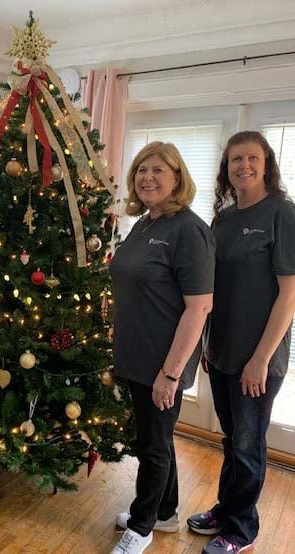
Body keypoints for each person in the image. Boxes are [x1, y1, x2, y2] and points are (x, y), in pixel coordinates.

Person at [186, 131, 295, 553]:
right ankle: (226, 507)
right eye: (235, 160)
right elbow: (214, 290)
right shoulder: (224, 219)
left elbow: (289, 295)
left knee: (248, 444)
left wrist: (261, 359)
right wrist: (208, 347)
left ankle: (241, 530)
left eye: (251, 158)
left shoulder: (282, 214)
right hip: (223, 351)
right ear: (226, 168)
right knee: (232, 440)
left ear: (266, 163)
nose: (243, 166)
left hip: (259, 357)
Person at [109, 142, 215, 554]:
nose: (147, 177)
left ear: (177, 178)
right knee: (157, 439)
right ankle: (164, 513)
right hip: (136, 355)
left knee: (153, 447)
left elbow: (199, 306)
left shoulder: (189, 230)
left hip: (163, 360)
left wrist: (170, 373)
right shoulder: (145, 223)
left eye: (158, 170)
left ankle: (141, 526)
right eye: (141, 170)